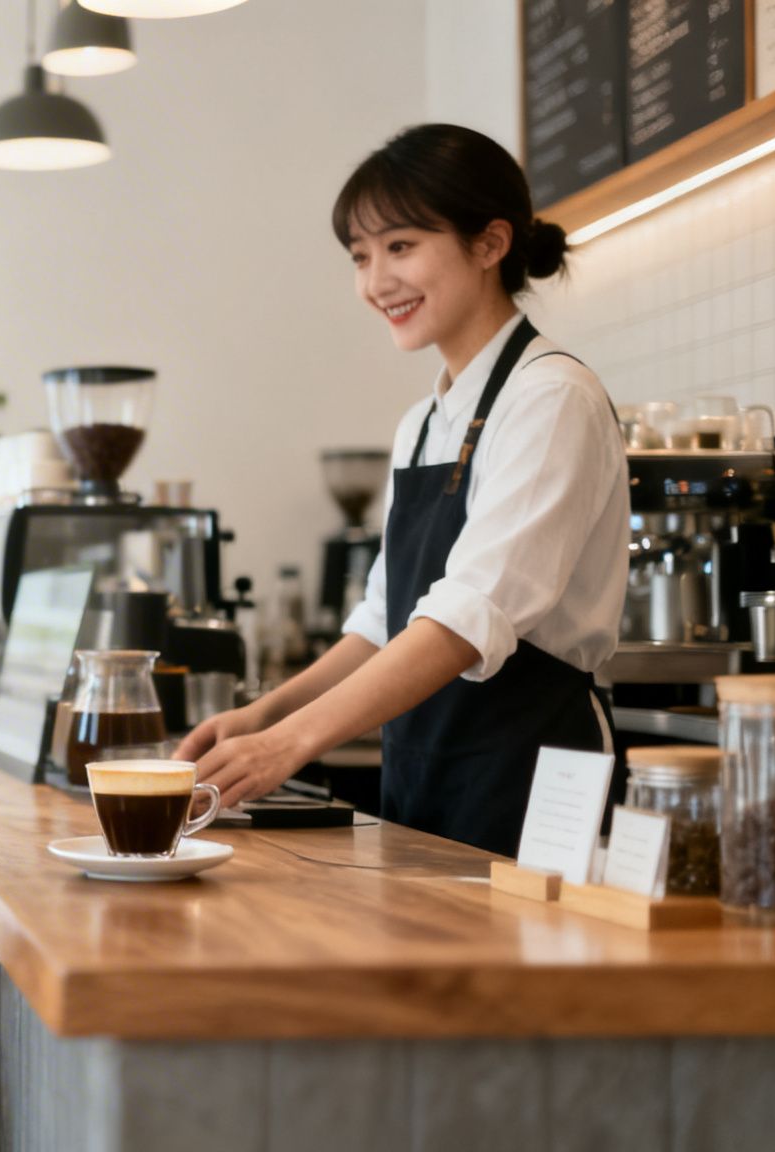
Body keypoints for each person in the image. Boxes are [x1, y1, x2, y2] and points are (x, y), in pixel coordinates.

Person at [176, 123, 627, 856]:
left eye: (401, 247)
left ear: (490, 244)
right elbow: (385, 619)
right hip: (424, 776)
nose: (375, 282)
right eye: (360, 256)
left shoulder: (552, 400)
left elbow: (462, 621)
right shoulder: (424, 421)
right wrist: (265, 715)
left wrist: (289, 744)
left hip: (534, 780)